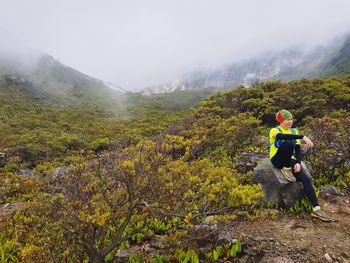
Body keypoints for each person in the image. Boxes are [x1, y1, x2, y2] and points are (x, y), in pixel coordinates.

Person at [269, 109, 334, 221]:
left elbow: (298, 150)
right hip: (277, 160)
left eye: (291, 119)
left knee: (305, 179)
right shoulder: (274, 130)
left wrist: (298, 163)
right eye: (287, 119)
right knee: (289, 143)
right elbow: (282, 137)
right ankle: (285, 169)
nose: (290, 121)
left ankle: (316, 209)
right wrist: (302, 136)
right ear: (281, 121)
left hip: (290, 160)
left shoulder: (294, 131)